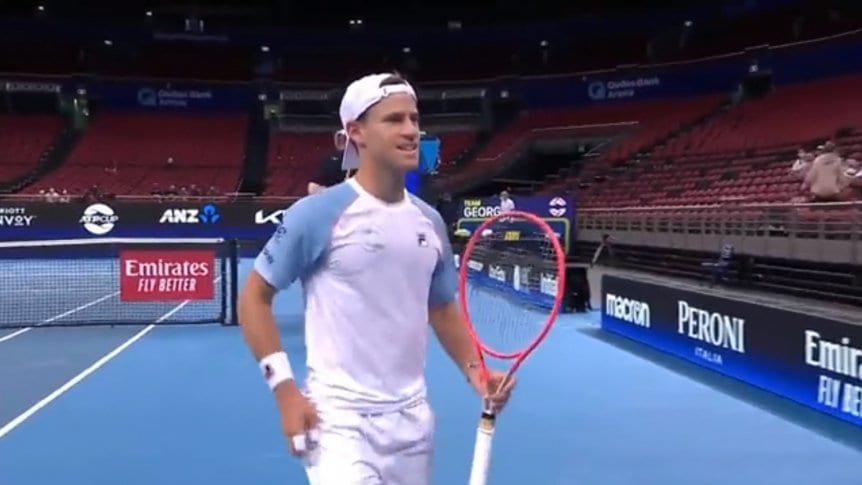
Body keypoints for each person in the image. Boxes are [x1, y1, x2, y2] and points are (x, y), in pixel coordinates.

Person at [238, 72, 515, 485]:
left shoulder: (429, 221)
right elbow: (254, 297)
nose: (410, 131)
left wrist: (477, 372)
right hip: (338, 422)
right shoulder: (316, 214)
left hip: (413, 422)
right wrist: (284, 390)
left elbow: (441, 308)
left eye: (414, 119)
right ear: (356, 132)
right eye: (394, 119)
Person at [307, 130, 350, 195]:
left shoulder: (363, 160)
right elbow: (313, 187)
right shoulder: (329, 160)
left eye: (344, 138)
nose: (341, 140)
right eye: (340, 138)